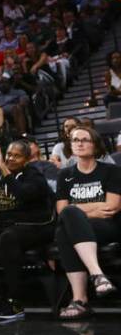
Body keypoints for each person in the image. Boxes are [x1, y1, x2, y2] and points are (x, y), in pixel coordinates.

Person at [0, 141, 55, 322]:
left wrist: (3, 169)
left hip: (37, 225)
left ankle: (16, 301)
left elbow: (23, 193)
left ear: (27, 159)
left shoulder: (34, 175)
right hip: (7, 225)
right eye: (9, 154)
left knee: (8, 237)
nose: (10, 158)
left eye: (16, 155)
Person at [54, 126, 120, 320]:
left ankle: (80, 299)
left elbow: (112, 207)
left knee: (69, 219)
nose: (80, 143)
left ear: (95, 145)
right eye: (75, 140)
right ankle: (96, 277)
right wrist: (91, 209)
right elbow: (61, 211)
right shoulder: (65, 175)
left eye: (85, 139)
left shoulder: (111, 171)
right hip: (84, 225)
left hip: (108, 227)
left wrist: (77, 210)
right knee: (64, 228)